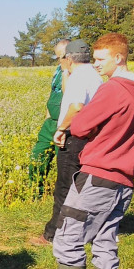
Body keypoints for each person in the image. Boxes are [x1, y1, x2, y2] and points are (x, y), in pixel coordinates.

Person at [44, 33, 134, 269]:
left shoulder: (113, 89)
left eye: (101, 59)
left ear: (119, 57)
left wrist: (83, 126)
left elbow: (81, 124)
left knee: (66, 238)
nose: (96, 64)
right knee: (105, 240)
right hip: (124, 180)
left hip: (99, 176)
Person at [32, 38, 100, 246]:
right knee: (81, 186)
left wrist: (61, 129)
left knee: (64, 187)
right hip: (89, 137)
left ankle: (53, 234)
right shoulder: (95, 76)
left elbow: (77, 106)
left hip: (73, 138)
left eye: (62, 58)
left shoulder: (79, 77)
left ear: (69, 59)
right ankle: (82, 229)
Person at [28, 38, 70, 192]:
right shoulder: (58, 70)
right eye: (58, 57)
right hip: (50, 122)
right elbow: (53, 92)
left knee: (63, 162)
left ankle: (63, 195)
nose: (59, 60)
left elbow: (69, 95)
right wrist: (47, 116)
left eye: (61, 56)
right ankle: (36, 192)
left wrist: (66, 71)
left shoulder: (75, 71)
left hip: (65, 124)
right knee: (37, 157)